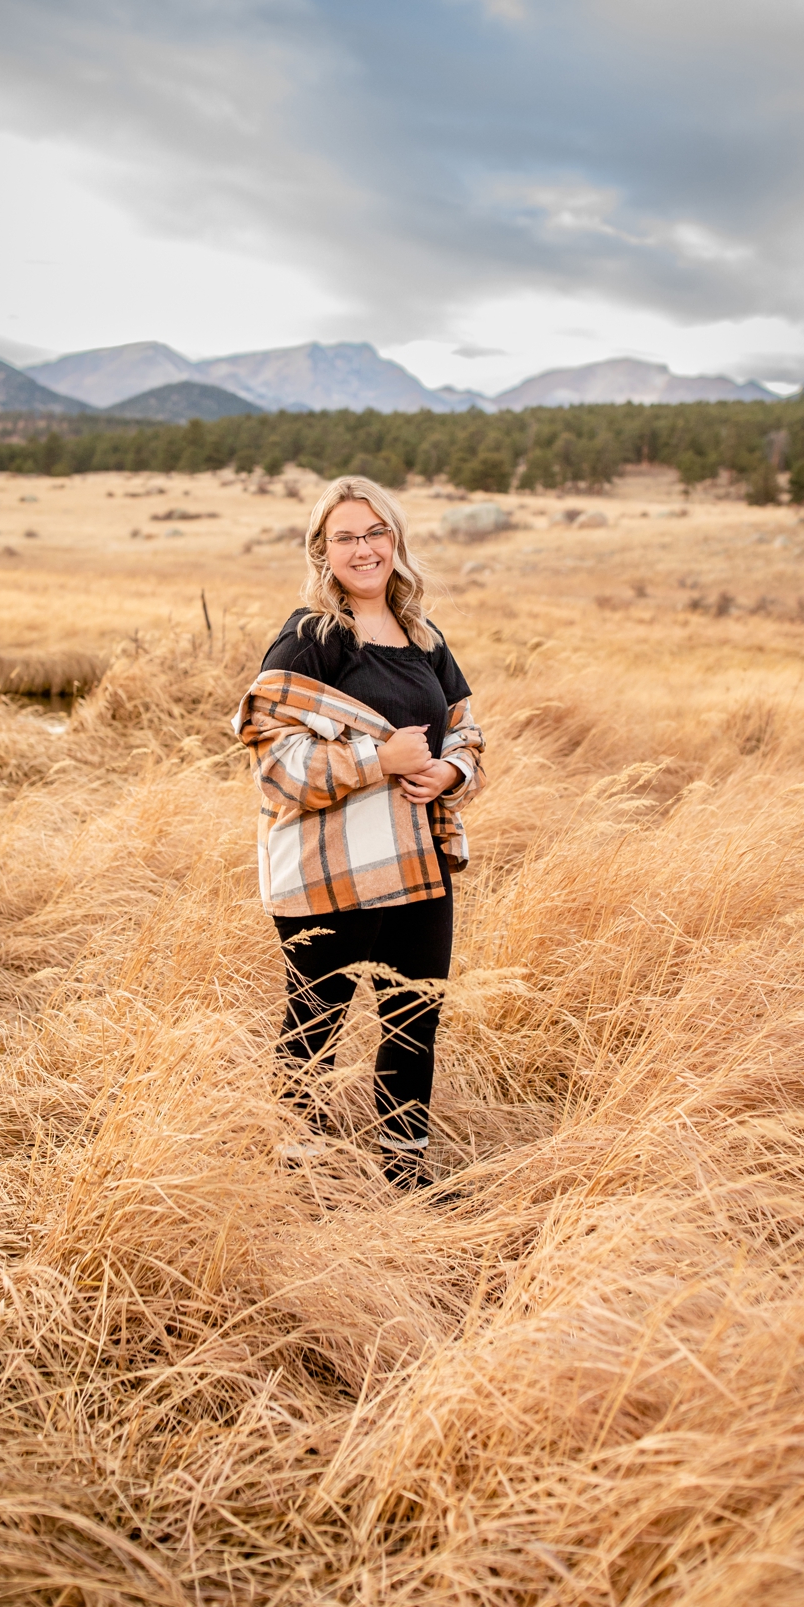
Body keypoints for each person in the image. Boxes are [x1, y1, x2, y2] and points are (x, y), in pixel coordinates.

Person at [231, 476, 485, 1191]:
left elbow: (467, 733)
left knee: (415, 1023)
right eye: (345, 535)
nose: (364, 547)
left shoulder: (424, 638)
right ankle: (299, 1181)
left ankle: (405, 1178)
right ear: (323, 551)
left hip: (419, 866)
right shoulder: (311, 637)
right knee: (316, 1028)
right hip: (331, 873)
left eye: (376, 531)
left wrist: (448, 774)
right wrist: (380, 759)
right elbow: (275, 766)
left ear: (395, 540)